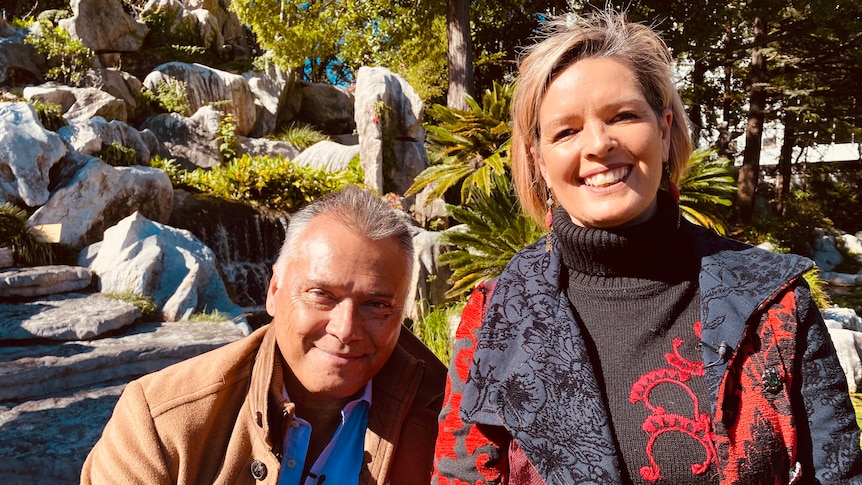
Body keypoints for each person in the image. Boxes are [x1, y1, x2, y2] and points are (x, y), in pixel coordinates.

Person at [433, 9, 862, 485]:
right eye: (566, 131)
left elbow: (839, 474)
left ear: (663, 129)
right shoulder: (497, 315)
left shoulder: (772, 300)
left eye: (623, 116)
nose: (598, 144)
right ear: (538, 159)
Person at [81, 185, 446, 484]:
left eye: (377, 305)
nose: (346, 329)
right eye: (322, 295)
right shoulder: (158, 422)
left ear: (402, 313)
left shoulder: (451, 420)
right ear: (274, 290)